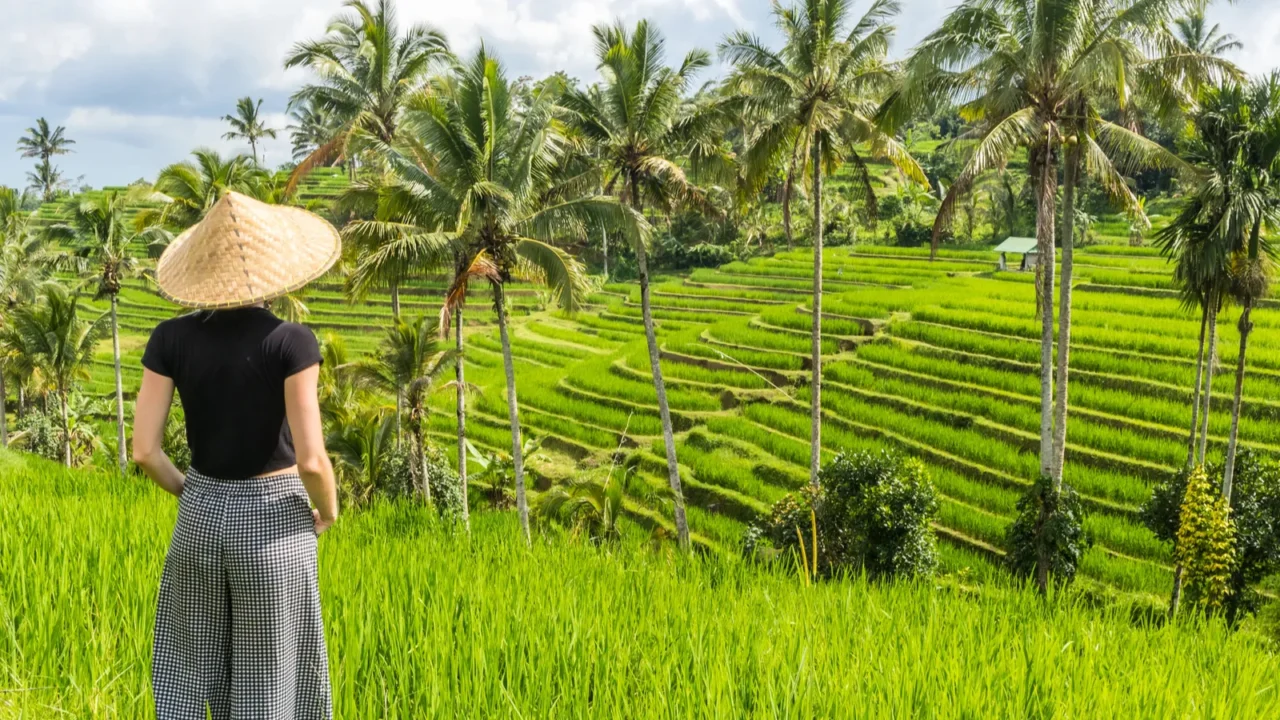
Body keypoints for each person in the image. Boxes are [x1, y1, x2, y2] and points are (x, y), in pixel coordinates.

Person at [132, 191, 342, 720]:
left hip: (198, 520)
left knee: (186, 669)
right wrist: (330, 511)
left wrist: (194, 492)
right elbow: (313, 461)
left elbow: (144, 451)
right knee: (269, 681)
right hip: (275, 524)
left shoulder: (169, 338)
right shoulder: (291, 341)